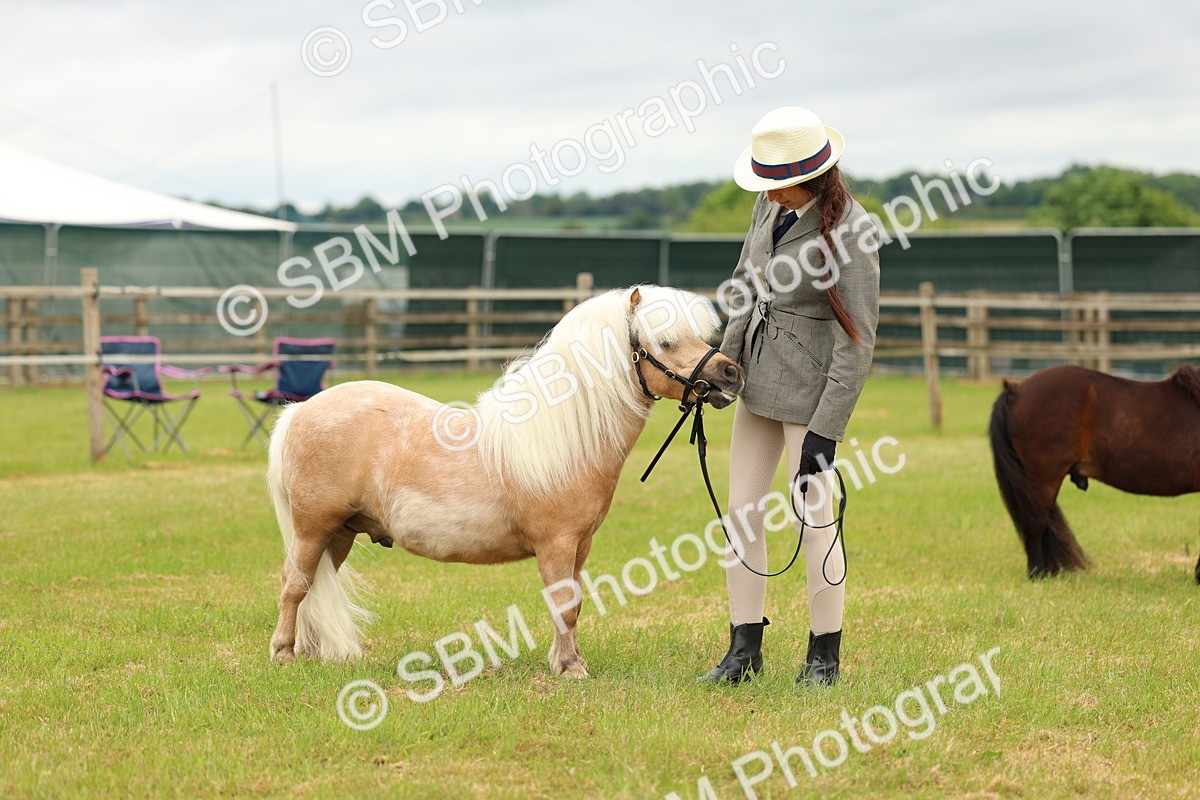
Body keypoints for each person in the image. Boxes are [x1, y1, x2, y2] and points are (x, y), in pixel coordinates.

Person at [699, 106, 880, 687]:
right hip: (756, 383)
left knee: (815, 521)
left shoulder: (853, 230)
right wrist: (722, 368)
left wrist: (827, 431)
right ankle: (742, 651)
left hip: (811, 396)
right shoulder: (766, 206)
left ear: (807, 177)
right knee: (742, 516)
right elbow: (745, 288)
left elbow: (858, 341)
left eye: (775, 183)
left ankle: (823, 657)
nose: (767, 193)